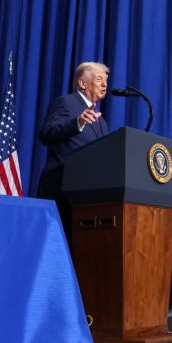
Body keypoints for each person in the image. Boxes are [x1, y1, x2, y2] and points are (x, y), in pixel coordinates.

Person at [37, 62, 110, 239]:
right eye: (99, 79)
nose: (104, 84)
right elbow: (47, 134)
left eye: (106, 80)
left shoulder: (101, 121)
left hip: (88, 198)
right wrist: (77, 123)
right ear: (82, 83)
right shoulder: (66, 103)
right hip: (62, 191)